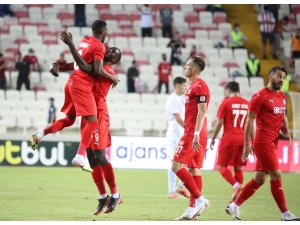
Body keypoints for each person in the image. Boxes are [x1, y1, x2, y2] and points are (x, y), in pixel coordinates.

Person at [31, 20, 119, 171]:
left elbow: (79, 63)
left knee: (69, 120)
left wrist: (61, 65)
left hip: (71, 82)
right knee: (92, 122)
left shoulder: (85, 42)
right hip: (81, 85)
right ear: (103, 32)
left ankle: (41, 132)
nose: (109, 51)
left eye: (113, 53)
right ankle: (79, 156)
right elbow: (90, 68)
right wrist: (112, 78)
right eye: (107, 31)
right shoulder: (99, 48)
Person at [226, 66, 299, 221]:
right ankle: (285, 214)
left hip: (274, 141)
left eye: (284, 78)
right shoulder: (259, 96)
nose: (282, 80)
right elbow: (249, 121)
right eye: (279, 76)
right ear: (270, 76)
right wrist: (247, 144)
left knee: (260, 178)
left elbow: (282, 116)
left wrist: (286, 132)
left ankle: (234, 206)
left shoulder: (281, 96)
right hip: (263, 141)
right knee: (276, 174)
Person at [172, 56, 210, 220]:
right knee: (194, 169)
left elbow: (203, 111)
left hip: (193, 133)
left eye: (187, 65)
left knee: (176, 166)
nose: (185, 67)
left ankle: (200, 200)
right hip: (195, 132)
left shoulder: (200, 85)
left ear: (194, 69)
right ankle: (191, 209)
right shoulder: (193, 86)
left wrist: (195, 134)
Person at [210, 81, 249, 203]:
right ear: (239, 89)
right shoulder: (248, 104)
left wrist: (213, 138)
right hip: (243, 140)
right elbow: (250, 124)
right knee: (238, 168)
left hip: (229, 139)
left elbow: (220, 123)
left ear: (228, 90)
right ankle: (236, 196)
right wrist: (250, 142)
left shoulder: (226, 103)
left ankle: (236, 186)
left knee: (221, 167)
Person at [166, 76, 189, 199]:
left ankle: (180, 186)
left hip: (182, 133)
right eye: (184, 85)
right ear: (178, 85)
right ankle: (171, 191)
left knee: (184, 161)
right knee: (173, 161)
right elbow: (178, 118)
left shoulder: (181, 99)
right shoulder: (173, 99)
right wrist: (190, 130)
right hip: (175, 133)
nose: (186, 87)